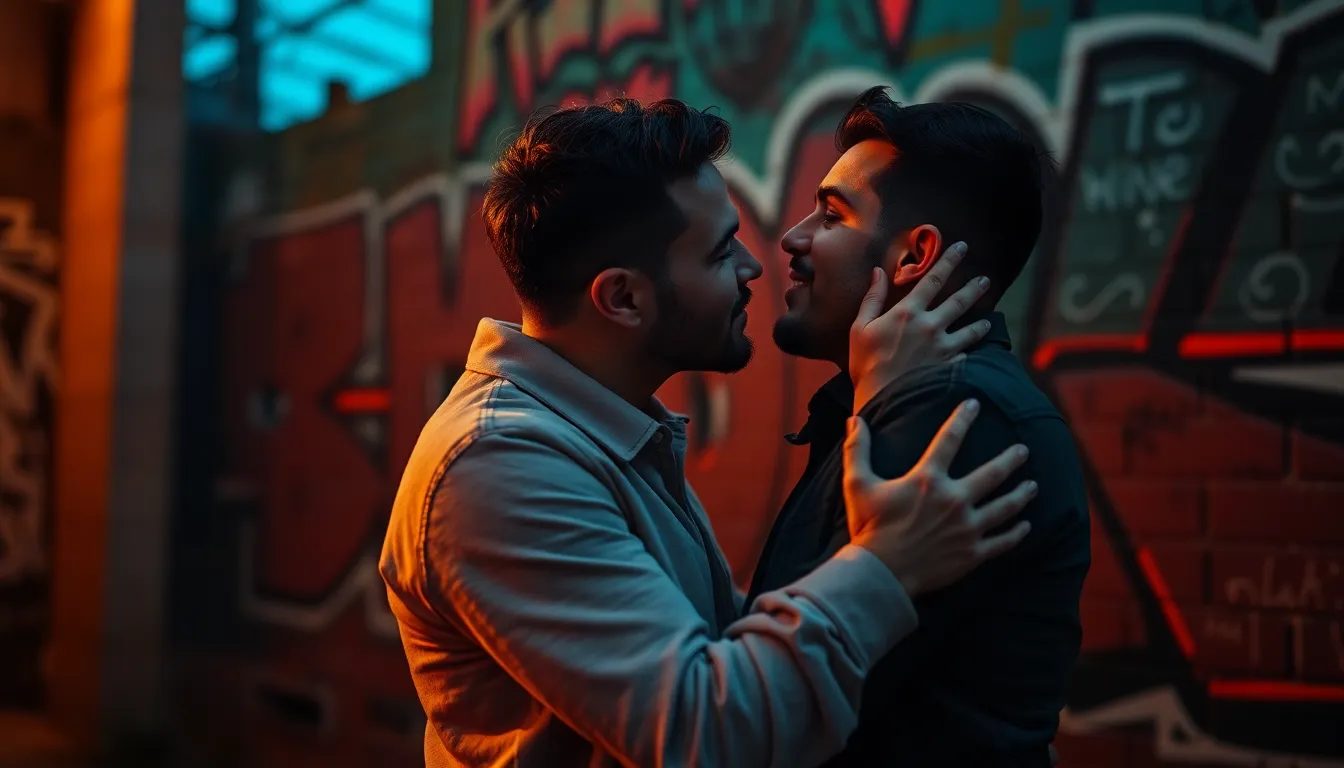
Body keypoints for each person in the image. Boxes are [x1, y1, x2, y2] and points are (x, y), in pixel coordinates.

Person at [379, 98, 1038, 768]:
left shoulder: (611, 439)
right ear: (625, 299)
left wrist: (874, 407)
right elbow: (707, 734)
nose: (756, 267)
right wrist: (888, 564)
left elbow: (726, 653)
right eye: (722, 252)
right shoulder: (499, 465)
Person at [747, 87, 1091, 767]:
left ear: (913, 258)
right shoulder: (912, 397)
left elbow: (784, 702)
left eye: (831, 214)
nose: (792, 238)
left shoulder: (954, 414)